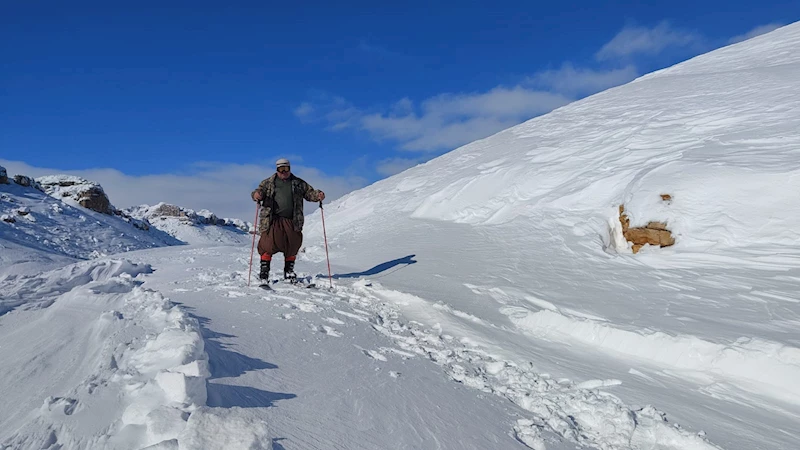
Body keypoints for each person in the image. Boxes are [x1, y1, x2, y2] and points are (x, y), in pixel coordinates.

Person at [251, 158, 325, 281]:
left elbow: (309, 193)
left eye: (286, 168)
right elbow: (258, 192)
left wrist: (318, 195)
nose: (284, 171)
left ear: (290, 168)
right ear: (277, 169)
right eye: (281, 169)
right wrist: (256, 195)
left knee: (293, 244)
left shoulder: (298, 183)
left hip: (292, 220)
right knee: (267, 245)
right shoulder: (268, 183)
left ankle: (289, 271)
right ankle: (264, 272)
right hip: (272, 220)